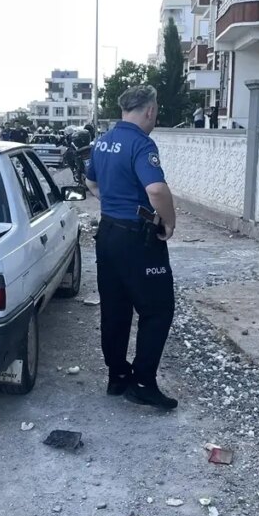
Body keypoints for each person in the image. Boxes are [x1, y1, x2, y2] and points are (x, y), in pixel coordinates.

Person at [85, 85, 178, 410]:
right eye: (156, 111)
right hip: (137, 238)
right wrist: (168, 222)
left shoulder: (103, 141)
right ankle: (143, 383)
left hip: (108, 232)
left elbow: (91, 182)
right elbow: (156, 190)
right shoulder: (141, 143)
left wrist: (113, 202)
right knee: (158, 309)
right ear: (150, 110)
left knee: (115, 307)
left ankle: (117, 376)